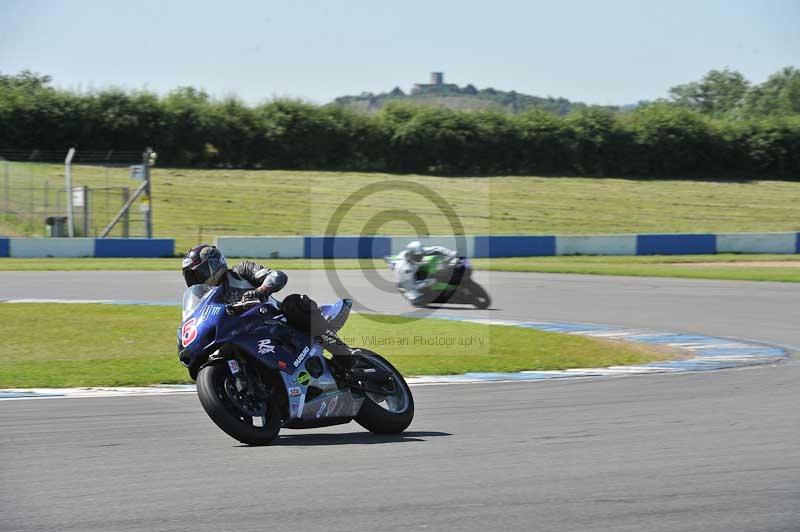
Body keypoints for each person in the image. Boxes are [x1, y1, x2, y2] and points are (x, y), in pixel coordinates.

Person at [181, 244, 357, 364]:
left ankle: (343, 352)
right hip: (243, 336)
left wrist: (261, 291)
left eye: (200, 273)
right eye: (192, 277)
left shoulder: (241, 272)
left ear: (214, 264)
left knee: (293, 303)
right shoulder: (204, 301)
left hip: (274, 320)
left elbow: (276, 275)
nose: (197, 279)